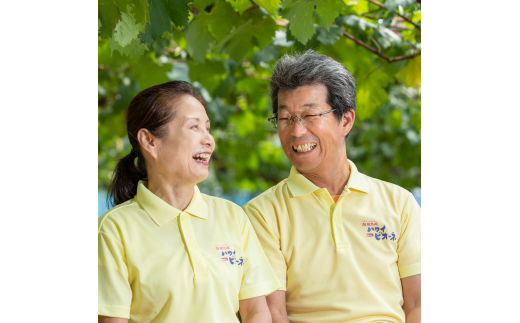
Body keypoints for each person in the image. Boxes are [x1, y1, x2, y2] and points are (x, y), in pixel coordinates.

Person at [243, 51, 421, 323]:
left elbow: (419, 305)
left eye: (309, 115)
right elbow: (273, 314)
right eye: (285, 118)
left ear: (346, 121)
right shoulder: (262, 213)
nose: (296, 131)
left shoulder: (399, 202)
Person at [98, 81, 280, 323]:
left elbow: (257, 311)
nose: (209, 140)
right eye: (194, 127)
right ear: (150, 141)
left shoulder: (233, 217)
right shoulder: (113, 230)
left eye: (207, 128)